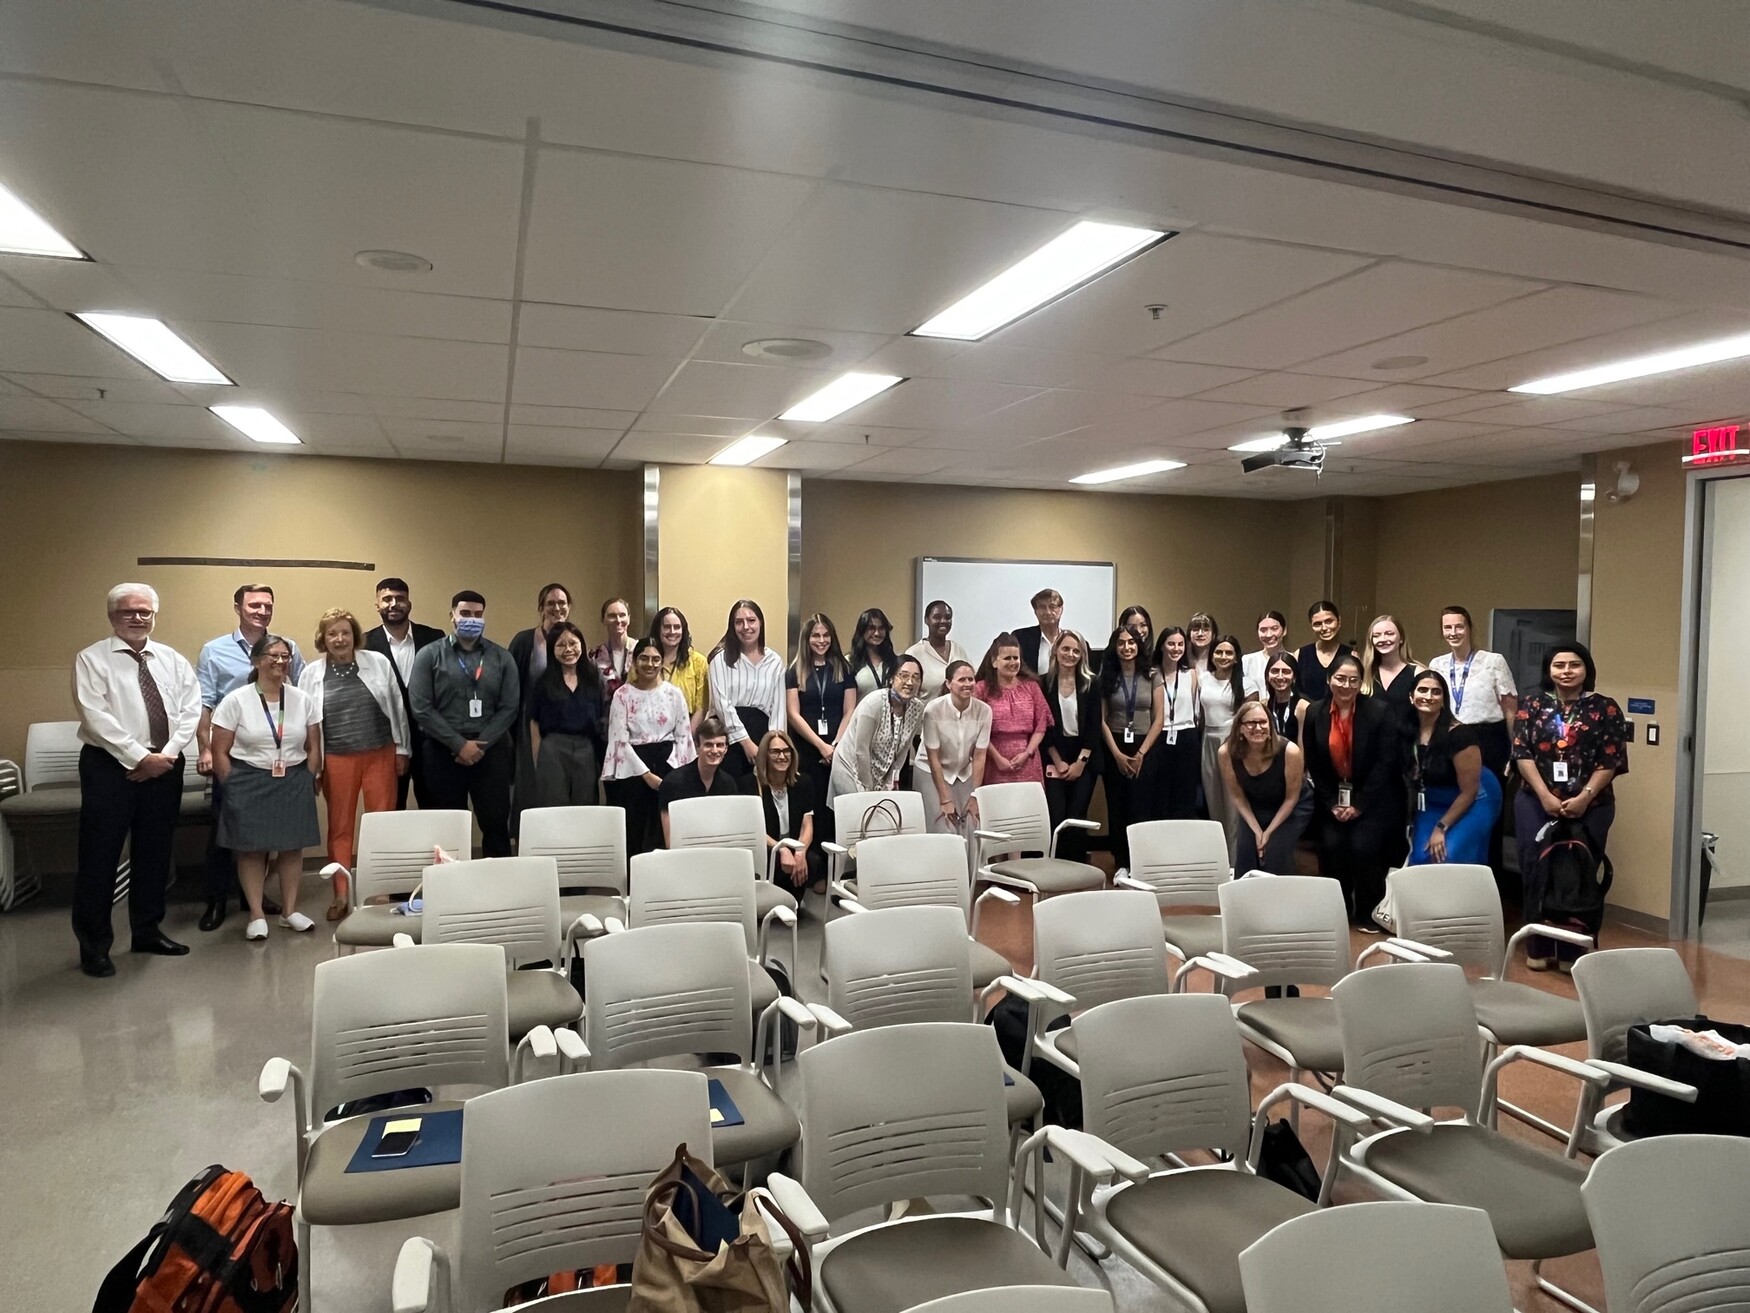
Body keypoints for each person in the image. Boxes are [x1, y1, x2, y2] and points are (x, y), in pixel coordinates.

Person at [71, 583, 200, 977]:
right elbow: (95, 716)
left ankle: (146, 930)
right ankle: (94, 945)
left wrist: (167, 755)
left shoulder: (172, 660)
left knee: (155, 853)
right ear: (112, 616)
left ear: (154, 616)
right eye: (128, 611)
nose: (137, 618)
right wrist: (139, 756)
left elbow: (190, 709)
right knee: (100, 857)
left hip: (165, 765)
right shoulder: (91, 659)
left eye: (145, 611)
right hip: (110, 767)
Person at [195, 584, 306, 932]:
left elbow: (299, 696)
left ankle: (253, 901)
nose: (261, 610)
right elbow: (205, 704)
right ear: (238, 607)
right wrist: (204, 749)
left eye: (267, 605)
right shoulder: (214, 650)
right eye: (254, 604)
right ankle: (216, 901)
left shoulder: (288, 649)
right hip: (235, 757)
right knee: (226, 834)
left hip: (278, 759)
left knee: (272, 838)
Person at [1512, 643, 1629, 971]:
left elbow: (1612, 759)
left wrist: (1584, 798)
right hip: (1535, 802)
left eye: (1574, 665)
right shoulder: (1532, 705)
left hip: (1592, 806)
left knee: (1579, 871)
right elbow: (1522, 753)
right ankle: (1538, 945)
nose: (1566, 671)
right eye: (1559, 665)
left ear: (1586, 669)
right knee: (1538, 871)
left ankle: (1572, 950)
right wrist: (1545, 796)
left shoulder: (1605, 708)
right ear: (1548, 670)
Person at [298, 608, 409, 921]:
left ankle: (380, 894)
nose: (339, 639)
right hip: (337, 759)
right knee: (340, 829)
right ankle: (341, 895)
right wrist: (315, 767)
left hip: (380, 754)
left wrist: (403, 749)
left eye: (345, 632)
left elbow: (397, 708)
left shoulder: (378, 662)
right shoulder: (311, 673)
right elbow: (309, 725)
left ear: (355, 635)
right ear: (323, 639)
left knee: (382, 826)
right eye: (332, 633)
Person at [210, 633, 322, 942]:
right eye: (272, 655)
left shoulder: (301, 698)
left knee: (291, 847)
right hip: (249, 780)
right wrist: (230, 786)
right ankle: (257, 914)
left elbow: (314, 745)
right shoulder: (237, 700)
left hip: (293, 778)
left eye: (285, 656)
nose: (280, 661)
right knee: (251, 849)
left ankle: (289, 911)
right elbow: (219, 749)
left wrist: (310, 774)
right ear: (257, 661)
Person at [409, 590, 520, 857]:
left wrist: (479, 744)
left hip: (491, 751)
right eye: (465, 614)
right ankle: (450, 889)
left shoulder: (501, 657)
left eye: (478, 615)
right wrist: (459, 745)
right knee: (446, 829)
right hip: (442, 751)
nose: (472, 619)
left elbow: (509, 707)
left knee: (495, 825)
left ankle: (498, 891)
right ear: (452, 616)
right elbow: (421, 707)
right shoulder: (429, 655)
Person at [1300, 652, 1406, 928]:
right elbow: (1313, 761)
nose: (1346, 686)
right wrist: (1332, 802)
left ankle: (1367, 912)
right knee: (1332, 846)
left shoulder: (1379, 712)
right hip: (1332, 796)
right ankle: (1339, 909)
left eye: (1353, 680)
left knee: (1364, 846)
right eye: (1340, 678)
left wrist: (1358, 803)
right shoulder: (1314, 712)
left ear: (1361, 683)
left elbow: (1386, 763)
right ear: (1329, 679)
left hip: (1372, 797)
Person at [1428, 605, 1518, 877]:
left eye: (1459, 626)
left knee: (1487, 814)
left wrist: (1514, 751)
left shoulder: (1493, 661)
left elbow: (1510, 708)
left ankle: (1489, 880)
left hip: (1488, 740)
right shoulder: (1437, 664)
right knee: (1454, 805)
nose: (1453, 632)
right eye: (1448, 627)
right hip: (1450, 738)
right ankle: (1454, 874)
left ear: (1469, 628)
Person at [602, 638, 695, 857]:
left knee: (666, 833)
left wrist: (672, 775)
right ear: (634, 661)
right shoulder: (622, 695)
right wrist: (646, 774)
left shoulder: (674, 693)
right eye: (644, 658)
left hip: (668, 765)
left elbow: (683, 734)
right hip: (633, 770)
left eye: (656, 659)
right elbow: (619, 740)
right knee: (634, 833)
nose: (650, 664)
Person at [362, 576, 444, 809]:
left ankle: (434, 848)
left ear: (409, 604)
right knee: (391, 807)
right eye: (386, 599)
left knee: (433, 805)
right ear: (377, 605)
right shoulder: (365, 643)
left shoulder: (434, 638)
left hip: (430, 739)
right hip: (388, 740)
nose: (393, 604)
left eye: (400, 598)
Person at [1406, 669, 1502, 867]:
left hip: (1475, 797)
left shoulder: (1461, 735)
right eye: (1422, 690)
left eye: (1436, 692)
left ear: (1444, 699)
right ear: (1411, 696)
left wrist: (1441, 827)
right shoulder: (1407, 730)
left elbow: (1470, 791)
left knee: (1447, 857)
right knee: (1421, 858)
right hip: (1432, 798)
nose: (1428, 696)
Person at [785, 613, 856, 845]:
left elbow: (850, 711)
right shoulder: (794, 671)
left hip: (839, 750)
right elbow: (793, 714)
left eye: (826, 635)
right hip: (808, 750)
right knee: (812, 807)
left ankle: (834, 868)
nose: (821, 640)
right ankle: (812, 866)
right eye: (816, 635)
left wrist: (835, 745)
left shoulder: (843, 668)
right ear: (807, 638)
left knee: (836, 810)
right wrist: (821, 746)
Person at [1098, 624, 1163, 871]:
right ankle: (1121, 863)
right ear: (1115, 647)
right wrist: (1116, 755)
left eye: (1131, 642)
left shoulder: (1152, 675)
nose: (1127, 647)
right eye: (1121, 643)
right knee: (1117, 805)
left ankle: (1141, 863)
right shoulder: (1107, 674)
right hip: (1114, 745)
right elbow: (1102, 719)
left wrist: (1140, 754)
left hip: (1145, 746)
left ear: (1139, 645)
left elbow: (1159, 718)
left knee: (1142, 805)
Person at [508, 583, 574, 823]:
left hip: (565, 729)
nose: (557, 608)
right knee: (532, 785)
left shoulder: (574, 639)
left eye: (562, 603)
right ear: (541, 608)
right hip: (530, 727)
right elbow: (511, 688)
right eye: (551, 603)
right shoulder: (525, 641)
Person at [1220, 697, 1309, 875]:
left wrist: (1267, 833)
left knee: (1275, 853)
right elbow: (1238, 797)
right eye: (1251, 723)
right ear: (1240, 728)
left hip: (1291, 807)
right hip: (1254, 806)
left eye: (1263, 722)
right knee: (1246, 853)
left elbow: (1291, 798)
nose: (1258, 728)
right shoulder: (1226, 753)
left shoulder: (1290, 751)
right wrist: (1257, 831)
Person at [827, 654, 927, 806]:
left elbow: (904, 748)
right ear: (892, 678)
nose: (910, 682)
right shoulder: (873, 704)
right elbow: (861, 751)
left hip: (881, 771)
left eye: (916, 677)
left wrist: (890, 782)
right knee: (859, 817)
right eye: (903, 676)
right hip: (850, 767)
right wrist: (869, 792)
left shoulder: (917, 708)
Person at [526, 620, 605, 809]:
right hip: (553, 748)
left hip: (586, 748)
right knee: (553, 804)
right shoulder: (543, 681)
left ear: (581, 645)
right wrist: (538, 760)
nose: (568, 649)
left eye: (573, 643)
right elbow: (534, 723)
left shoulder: (593, 679)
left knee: (585, 804)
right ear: (552, 649)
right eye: (561, 645)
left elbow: (600, 717)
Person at [709, 599, 786, 783]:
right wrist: (746, 742)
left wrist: (774, 746)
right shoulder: (720, 660)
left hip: (763, 738)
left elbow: (779, 709)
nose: (746, 627)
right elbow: (722, 705)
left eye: (751, 620)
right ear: (732, 626)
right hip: (729, 738)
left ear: (760, 623)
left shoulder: (774, 661)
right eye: (739, 622)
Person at [1040, 632, 1102, 858]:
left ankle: (1076, 867)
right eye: (1065, 649)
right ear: (1056, 650)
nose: (1070, 654)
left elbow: (1095, 728)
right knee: (1057, 815)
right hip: (1054, 755)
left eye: (1076, 651)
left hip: (1083, 756)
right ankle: (1055, 867)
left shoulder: (1091, 684)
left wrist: (1079, 764)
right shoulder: (1044, 682)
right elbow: (1043, 727)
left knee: (1077, 815)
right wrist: (1058, 762)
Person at [922, 660, 992, 838]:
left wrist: (975, 795)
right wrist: (945, 799)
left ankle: (971, 867)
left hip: (962, 771)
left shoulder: (984, 711)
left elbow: (979, 756)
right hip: (930, 769)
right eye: (962, 680)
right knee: (945, 826)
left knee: (971, 823)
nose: (968, 684)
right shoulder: (933, 710)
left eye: (971, 679)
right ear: (948, 684)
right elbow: (933, 758)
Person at [975, 633, 1053, 786]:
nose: (1013, 662)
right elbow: (976, 730)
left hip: (1028, 762)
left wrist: (1027, 753)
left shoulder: (1032, 687)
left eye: (1015, 658)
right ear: (994, 661)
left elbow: (1041, 724)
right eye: (1007, 658)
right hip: (994, 762)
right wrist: (997, 758)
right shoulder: (981, 689)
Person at [753, 729, 824, 893]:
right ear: (765, 755)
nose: (782, 756)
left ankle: (793, 903)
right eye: (775, 752)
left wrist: (800, 851)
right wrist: (781, 848)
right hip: (769, 848)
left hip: (793, 845)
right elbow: (755, 830)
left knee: (812, 860)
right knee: (777, 861)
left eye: (786, 751)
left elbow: (807, 825)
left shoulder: (803, 782)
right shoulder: (751, 785)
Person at [658, 715, 747, 845]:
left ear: (726, 748)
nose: (715, 750)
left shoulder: (729, 784)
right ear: (697, 746)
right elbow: (670, 841)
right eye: (708, 745)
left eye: (720, 745)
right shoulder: (673, 782)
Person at [1198, 635, 1246, 843]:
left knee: (1233, 806)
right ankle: (1220, 859)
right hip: (1208, 741)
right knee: (1213, 802)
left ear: (1236, 658)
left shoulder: (1246, 683)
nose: (1223, 656)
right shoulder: (1203, 679)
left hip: (1233, 743)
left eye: (1229, 653)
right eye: (1219, 652)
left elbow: (1249, 721)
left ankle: (1236, 862)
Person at [1152, 627, 1202, 820]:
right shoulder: (1152, 673)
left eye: (1180, 644)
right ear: (1162, 646)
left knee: (1185, 794)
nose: (1176, 648)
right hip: (1160, 736)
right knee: (1161, 795)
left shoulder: (1191, 674)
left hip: (1187, 736)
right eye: (1171, 643)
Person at [1359, 613, 1422, 733]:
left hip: (1406, 746)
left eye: (1389, 634)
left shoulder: (1417, 673)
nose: (1383, 639)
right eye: (1377, 635)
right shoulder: (1364, 674)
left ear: (1401, 638)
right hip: (1371, 747)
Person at [652, 606, 709, 732]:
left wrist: (685, 737)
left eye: (677, 627)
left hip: (688, 731)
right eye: (666, 627)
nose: (672, 631)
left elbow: (701, 708)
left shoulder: (698, 662)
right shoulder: (646, 660)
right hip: (650, 733)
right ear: (657, 630)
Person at [905, 599, 969, 700]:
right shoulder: (914, 653)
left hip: (958, 714)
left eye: (947, 617)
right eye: (937, 617)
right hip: (926, 714)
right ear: (926, 620)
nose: (943, 621)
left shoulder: (958, 649)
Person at [1294, 600, 1351, 703]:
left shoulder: (1351, 655)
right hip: (1307, 715)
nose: (1324, 628)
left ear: (1339, 621)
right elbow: (1295, 691)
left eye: (1329, 621)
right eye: (1317, 624)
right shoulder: (1300, 654)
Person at [849, 607, 900, 703]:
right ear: (862, 631)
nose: (877, 633)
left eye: (881, 628)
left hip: (890, 716)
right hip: (861, 716)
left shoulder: (895, 661)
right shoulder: (849, 662)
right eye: (871, 628)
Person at [590, 597, 635, 700]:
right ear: (603, 620)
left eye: (622, 615)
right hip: (607, 714)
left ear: (628, 619)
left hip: (638, 714)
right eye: (612, 616)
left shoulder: (641, 651)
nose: (618, 620)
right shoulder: (594, 656)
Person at [1013, 588, 1064, 677]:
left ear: (1061, 610)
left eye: (1052, 607)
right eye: (1042, 607)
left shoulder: (1072, 641)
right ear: (1035, 612)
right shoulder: (1020, 638)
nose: (1047, 612)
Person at [1241, 611, 1292, 696]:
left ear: (1284, 630)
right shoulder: (1247, 661)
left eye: (1274, 628)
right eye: (1263, 630)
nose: (1268, 635)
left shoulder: (1294, 658)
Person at [1261, 652, 1305, 744]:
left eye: (1286, 672)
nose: (1280, 676)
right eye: (1275, 671)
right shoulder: (1265, 706)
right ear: (1267, 676)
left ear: (1294, 677)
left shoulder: (1302, 706)